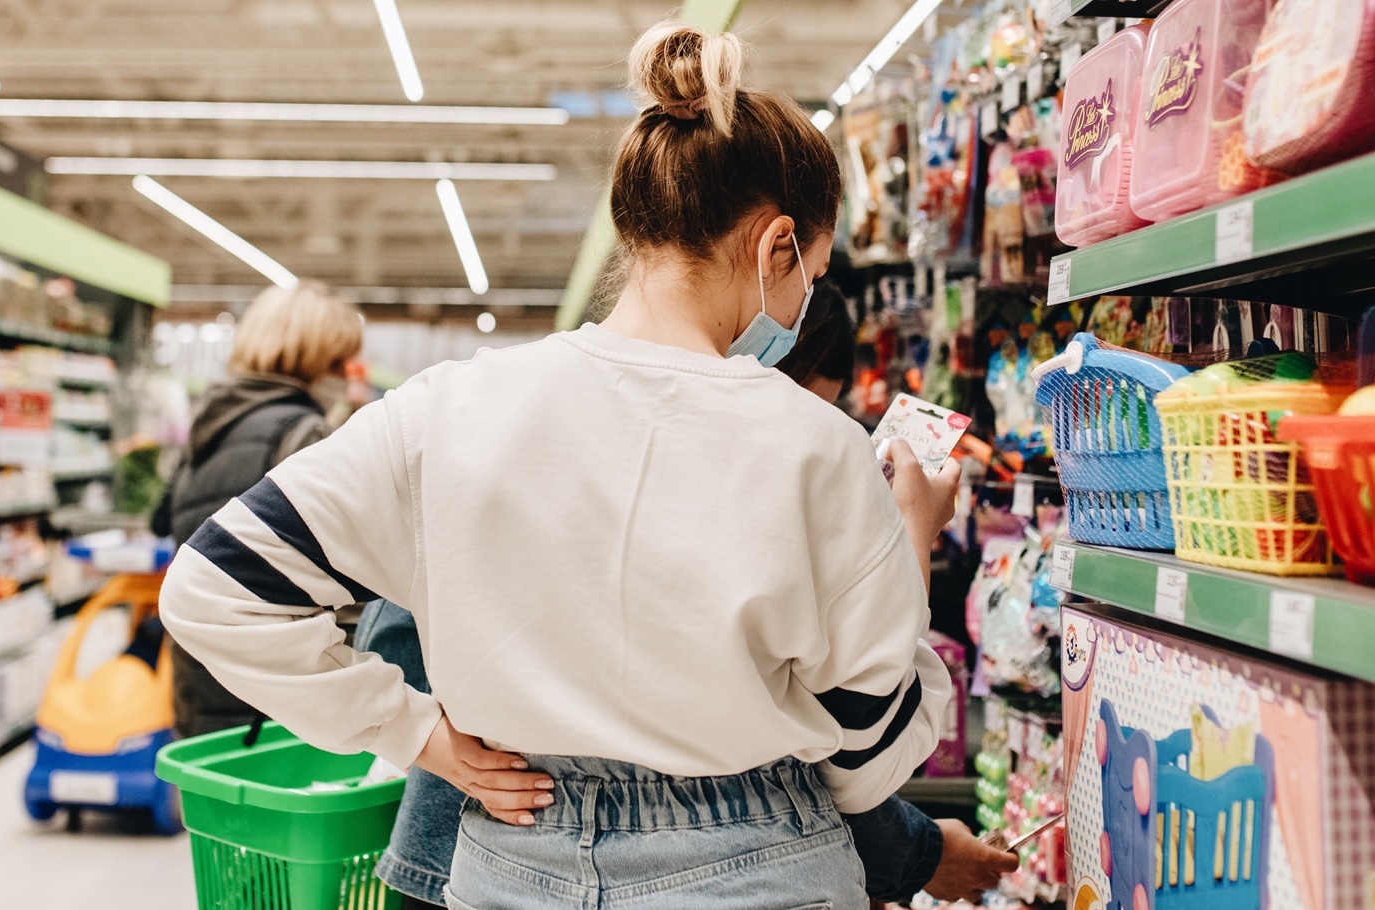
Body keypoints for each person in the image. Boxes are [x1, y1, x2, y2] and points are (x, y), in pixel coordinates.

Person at [161, 21, 960, 910]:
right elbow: (864, 758)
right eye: (811, 269)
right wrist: (912, 540)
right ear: (776, 247)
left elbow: (214, 590)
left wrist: (416, 734)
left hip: (511, 854)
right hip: (754, 865)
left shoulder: (446, 409)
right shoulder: (816, 444)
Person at [351, 278, 1016, 910]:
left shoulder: (534, 429)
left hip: (479, 856)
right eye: (803, 406)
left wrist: (431, 735)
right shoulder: (705, 501)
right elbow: (816, 755)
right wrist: (908, 537)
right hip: (549, 848)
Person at [150, 280, 361, 739]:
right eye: (337, 363)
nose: (345, 378)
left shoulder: (208, 425)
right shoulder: (305, 435)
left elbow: (162, 521)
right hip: (274, 701)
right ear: (307, 358)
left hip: (199, 681)